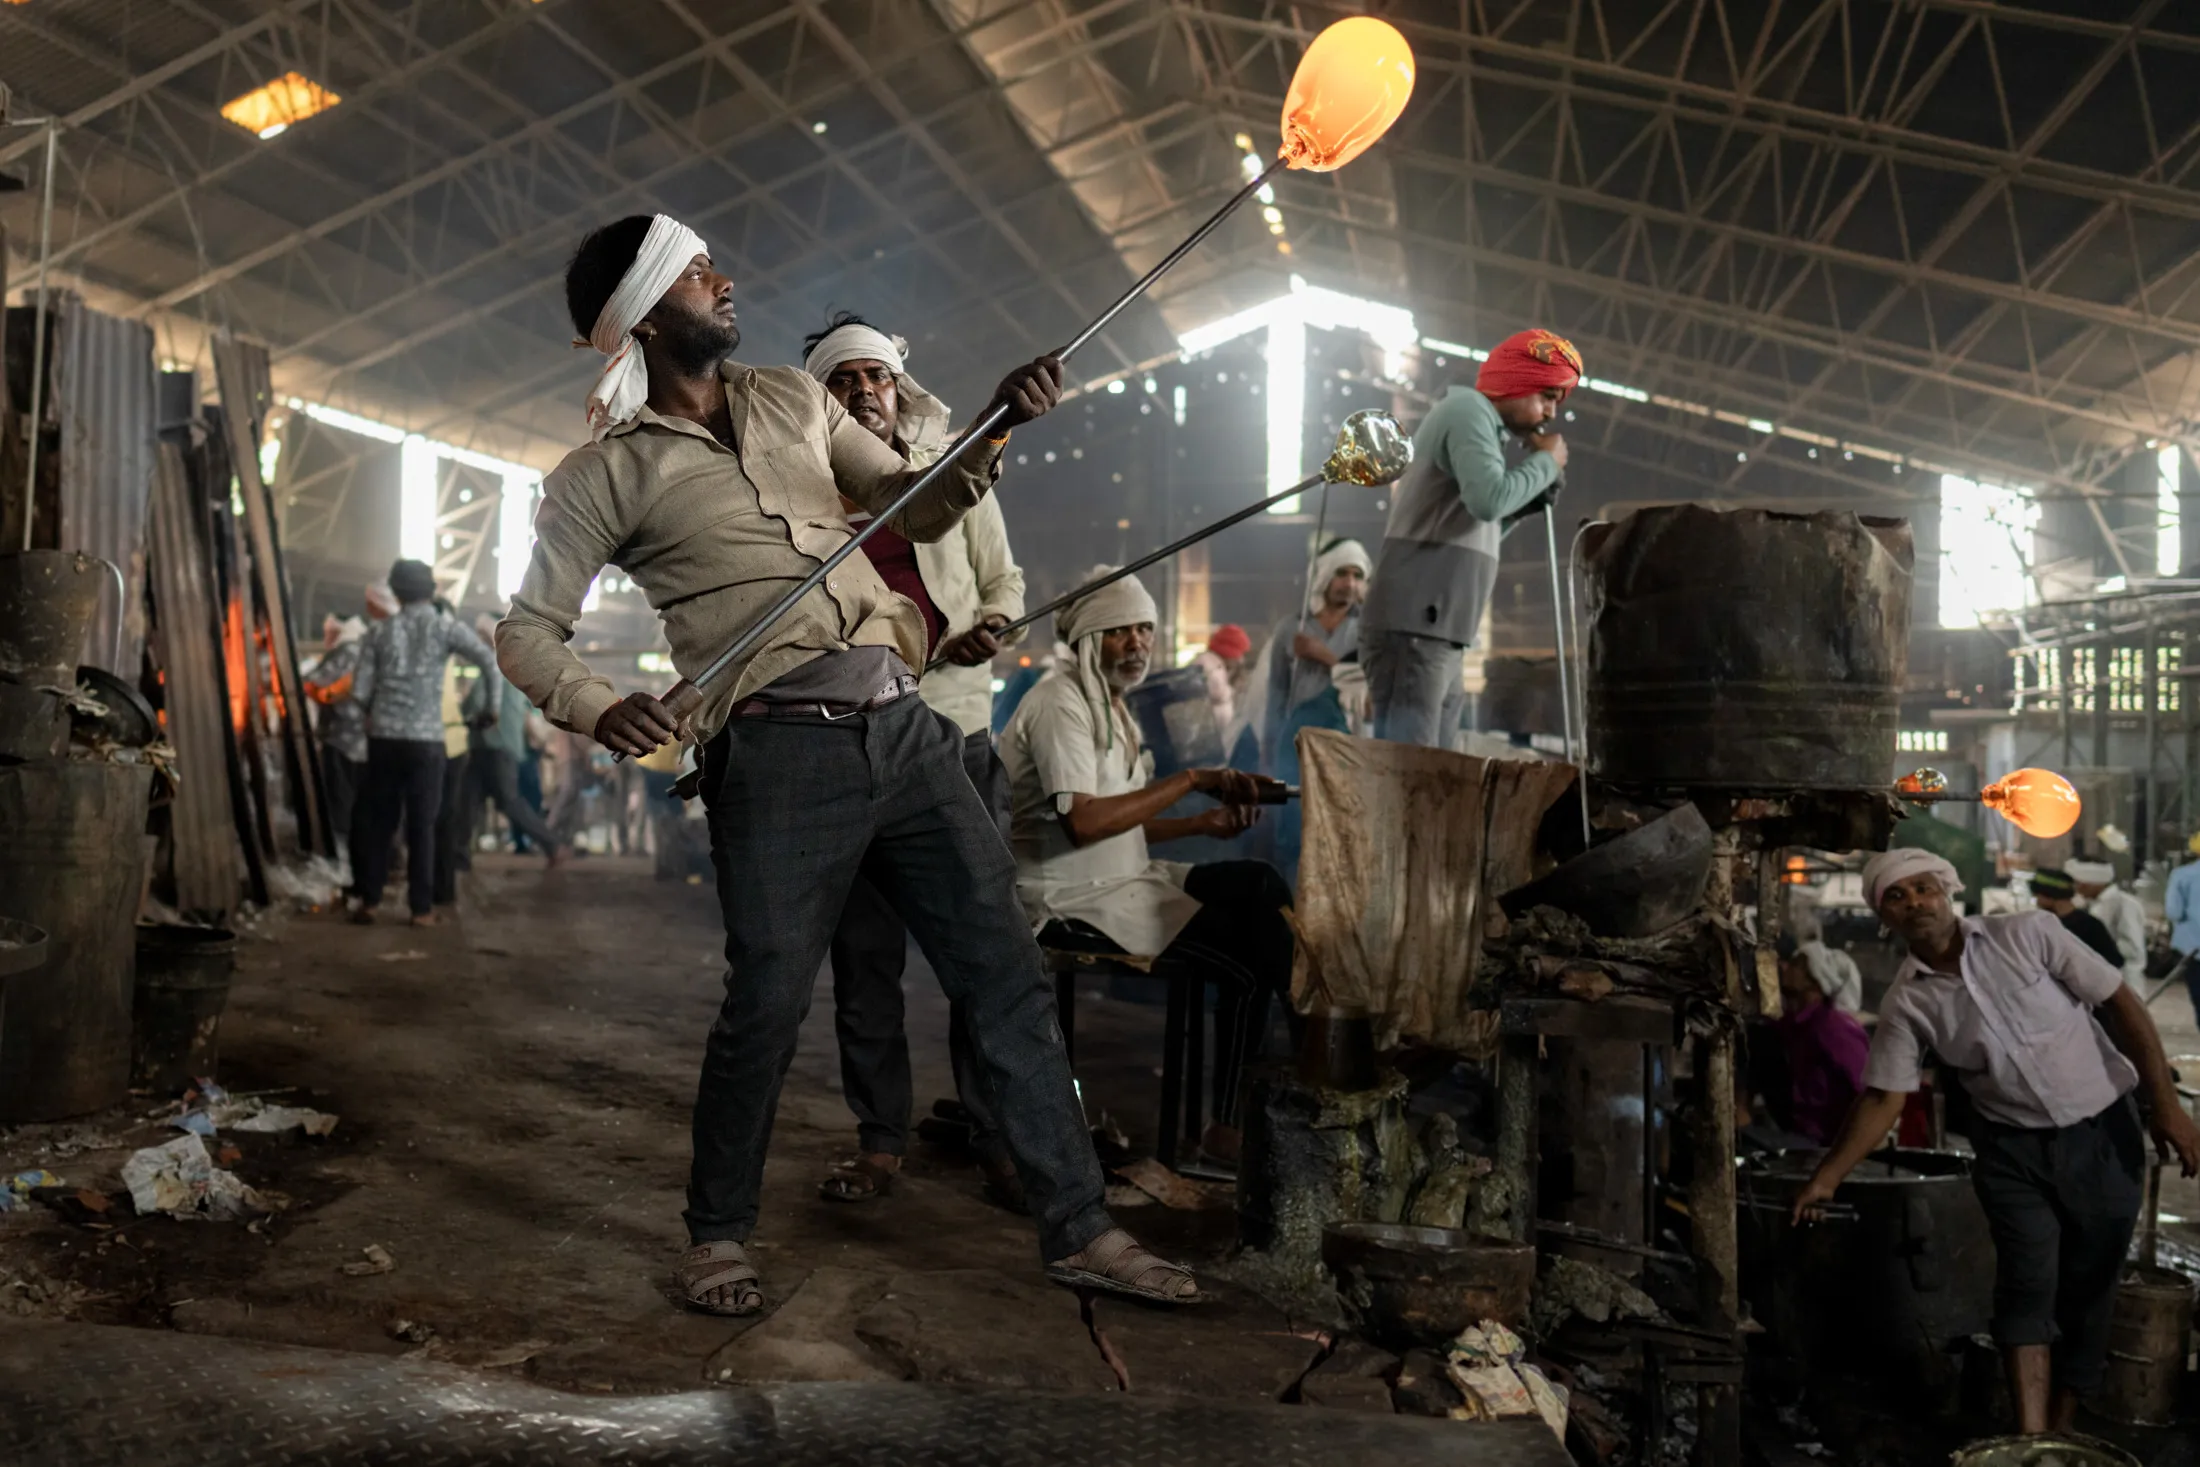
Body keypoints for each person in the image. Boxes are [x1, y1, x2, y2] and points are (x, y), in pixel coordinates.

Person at [497, 212, 1192, 1315]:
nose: (725, 282)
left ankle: (1080, 1226)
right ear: (640, 315)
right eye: (696, 273)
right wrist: (597, 703)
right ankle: (716, 1236)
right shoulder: (602, 477)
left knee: (1003, 973)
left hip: (907, 728)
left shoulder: (792, 396)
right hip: (773, 754)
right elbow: (527, 632)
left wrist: (992, 431)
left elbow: (919, 506)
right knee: (768, 1003)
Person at [1791, 850, 2200, 1435]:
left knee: (2090, 1286)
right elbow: (1884, 1097)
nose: (1914, 904)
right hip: (2011, 1153)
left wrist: (2165, 1106)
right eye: (1896, 897)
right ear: (1884, 916)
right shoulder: (1908, 1002)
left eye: (1923, 889)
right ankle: (2031, 1442)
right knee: (2026, 1286)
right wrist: (1826, 1177)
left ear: (1948, 891)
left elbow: (2121, 1002)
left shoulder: (2030, 934)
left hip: (2103, 1135)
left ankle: (2063, 1427)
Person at [800, 311, 1028, 1210]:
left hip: (957, 736)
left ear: (899, 390)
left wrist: (990, 628)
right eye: (843, 380)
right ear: (819, 400)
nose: (864, 391)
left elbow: (1003, 579)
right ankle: (880, 1139)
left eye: (877, 377)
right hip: (854, 745)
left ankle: (999, 1134)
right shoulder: (804, 496)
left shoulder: (951, 476)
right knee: (864, 954)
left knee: (986, 949)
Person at [1000, 567, 1296, 1159]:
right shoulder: (1061, 703)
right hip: (1066, 896)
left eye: (1144, 629)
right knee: (1246, 963)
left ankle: (1296, 1053)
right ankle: (1232, 1120)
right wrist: (1190, 780)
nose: (1137, 643)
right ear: (1089, 638)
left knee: (1259, 885)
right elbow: (1083, 824)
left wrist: (1198, 825)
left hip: (1122, 879)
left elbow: (1118, 826)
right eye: (1120, 631)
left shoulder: (1114, 706)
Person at [1361, 329, 1581, 746]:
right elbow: (1488, 500)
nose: (1550, 413)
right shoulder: (1468, 411)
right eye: (1547, 397)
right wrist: (1546, 464)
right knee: (1408, 774)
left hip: (1437, 629)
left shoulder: (1478, 423)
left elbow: (1479, 521)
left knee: (1431, 773)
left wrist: (1527, 505)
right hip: (1415, 626)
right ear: (1517, 381)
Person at [349, 559, 496, 926]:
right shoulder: (445, 627)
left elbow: (359, 691)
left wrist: (376, 709)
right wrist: (490, 708)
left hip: (384, 737)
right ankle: (421, 909)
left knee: (379, 820)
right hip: (428, 741)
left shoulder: (379, 633)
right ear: (431, 591)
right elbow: (488, 660)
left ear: (396, 593)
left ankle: (369, 901)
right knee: (422, 824)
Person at [463, 612, 565, 865]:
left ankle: (551, 844)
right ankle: (456, 856)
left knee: (506, 802)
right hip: (491, 745)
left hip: (494, 745)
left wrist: (464, 713)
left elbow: (474, 706)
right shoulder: (512, 668)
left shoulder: (495, 669)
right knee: (467, 801)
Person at [1263, 537, 1368, 774]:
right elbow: (1276, 699)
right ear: (1323, 574)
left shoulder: (1368, 632)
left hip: (1351, 747)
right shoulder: (1291, 628)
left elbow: (1368, 693)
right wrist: (1268, 762)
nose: (1350, 583)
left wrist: (1320, 653)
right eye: (1341, 573)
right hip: (1298, 744)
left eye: (1357, 575)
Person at [1767, 935, 1870, 1145]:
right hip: (1802, 1133)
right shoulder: (1798, 1023)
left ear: (1815, 980)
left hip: (1824, 1141)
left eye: (1797, 965)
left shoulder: (1833, 1027)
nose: (1786, 968)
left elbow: (1865, 1089)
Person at [302, 591, 387, 845]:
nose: (326, 637)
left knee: (340, 801)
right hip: (367, 739)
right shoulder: (367, 648)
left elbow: (313, 680)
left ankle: (343, 855)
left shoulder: (346, 651)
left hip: (342, 738)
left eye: (330, 632)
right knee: (362, 802)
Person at [2068, 860, 2146, 993]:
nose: (2077, 888)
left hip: (2123, 981)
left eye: (2080, 883)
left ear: (2095, 883)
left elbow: (2133, 948)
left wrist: (2098, 947)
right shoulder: (2087, 904)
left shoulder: (2125, 904)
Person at [2029, 868, 2125, 971]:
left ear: (2050, 896)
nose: (2037, 900)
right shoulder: (2043, 923)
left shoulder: (2090, 926)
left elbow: (2114, 961)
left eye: (2038, 895)